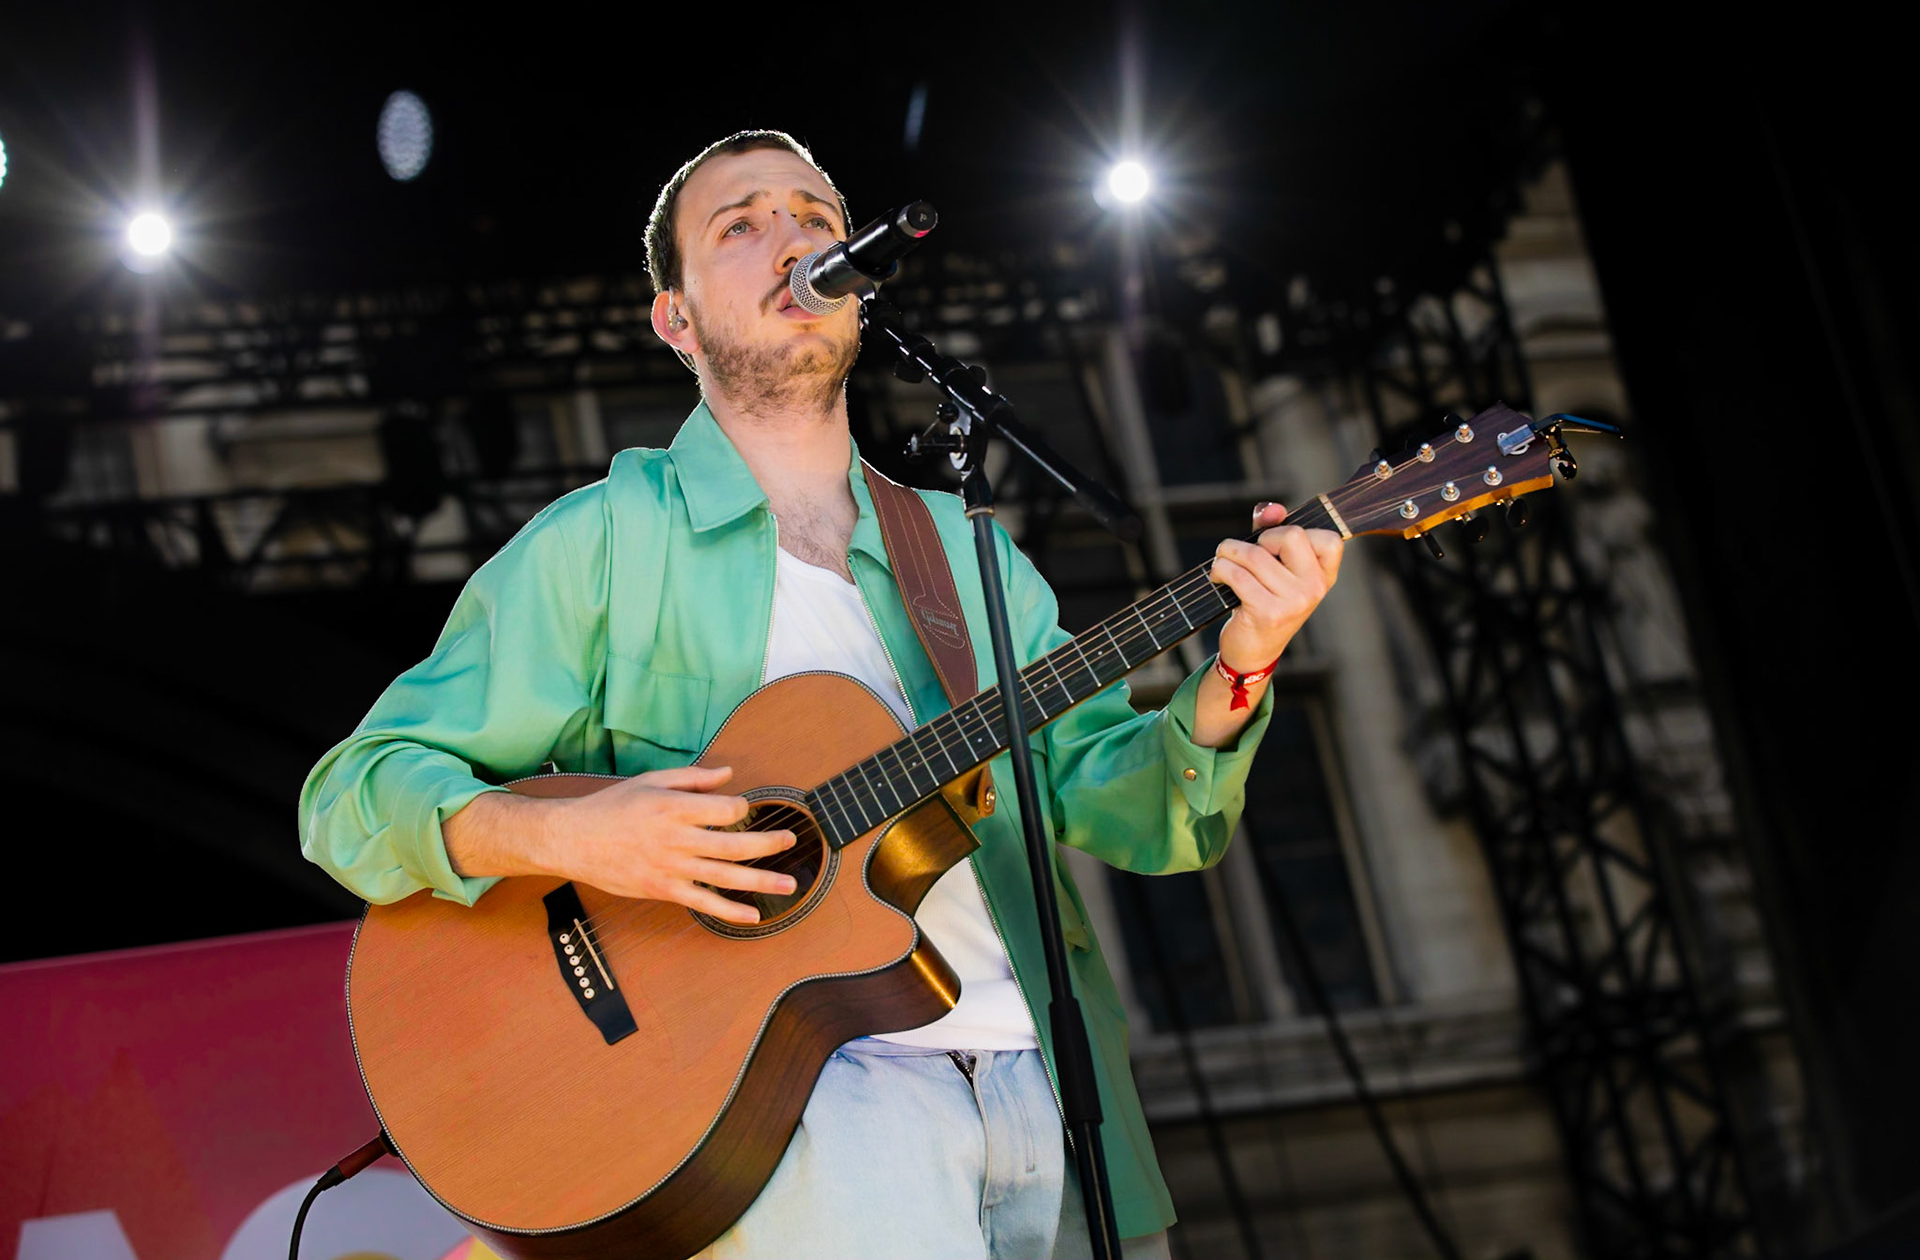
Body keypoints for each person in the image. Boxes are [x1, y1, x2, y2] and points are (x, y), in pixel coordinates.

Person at [299, 129, 1344, 1260]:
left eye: (813, 215)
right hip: (791, 1127)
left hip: (1050, 1089)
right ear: (677, 319)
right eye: (738, 225)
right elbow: (349, 796)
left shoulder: (965, 549)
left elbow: (1129, 809)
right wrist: (580, 834)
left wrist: (1244, 658)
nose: (790, 237)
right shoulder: (602, 544)